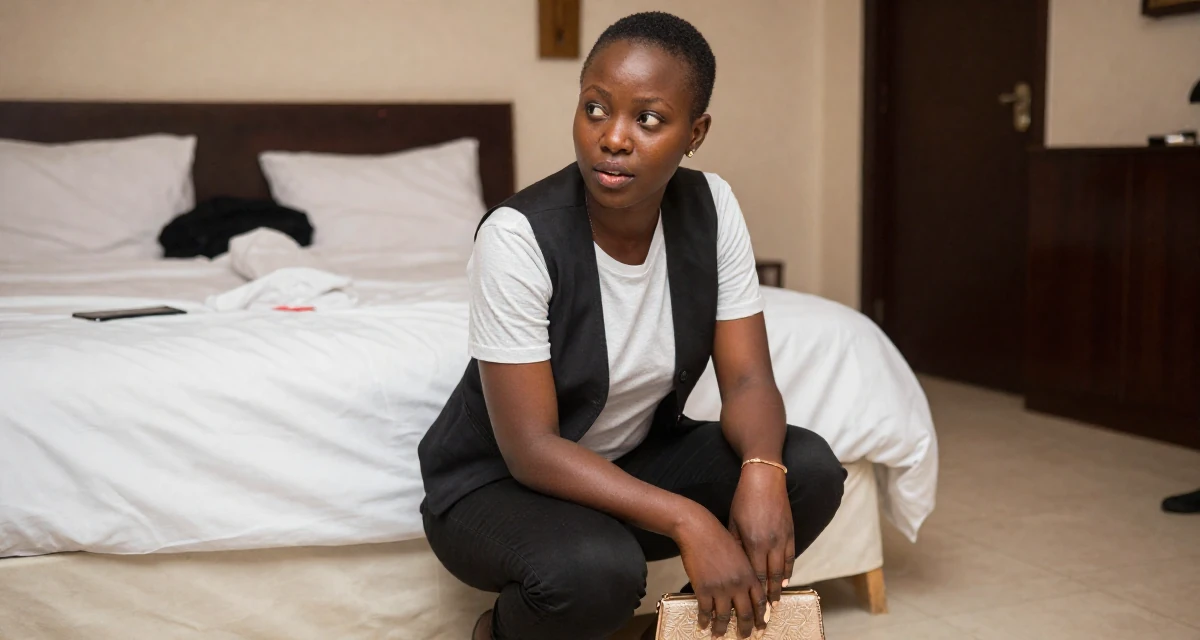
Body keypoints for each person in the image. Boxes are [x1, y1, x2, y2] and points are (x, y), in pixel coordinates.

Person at [418, 12, 845, 640]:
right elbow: (530, 449)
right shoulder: (517, 236)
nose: (613, 138)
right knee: (597, 571)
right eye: (595, 109)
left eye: (648, 119)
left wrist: (761, 468)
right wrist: (690, 521)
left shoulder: (712, 207)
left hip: (632, 457)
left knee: (804, 467)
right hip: (497, 485)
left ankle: (682, 631)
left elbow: (749, 376)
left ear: (694, 133)